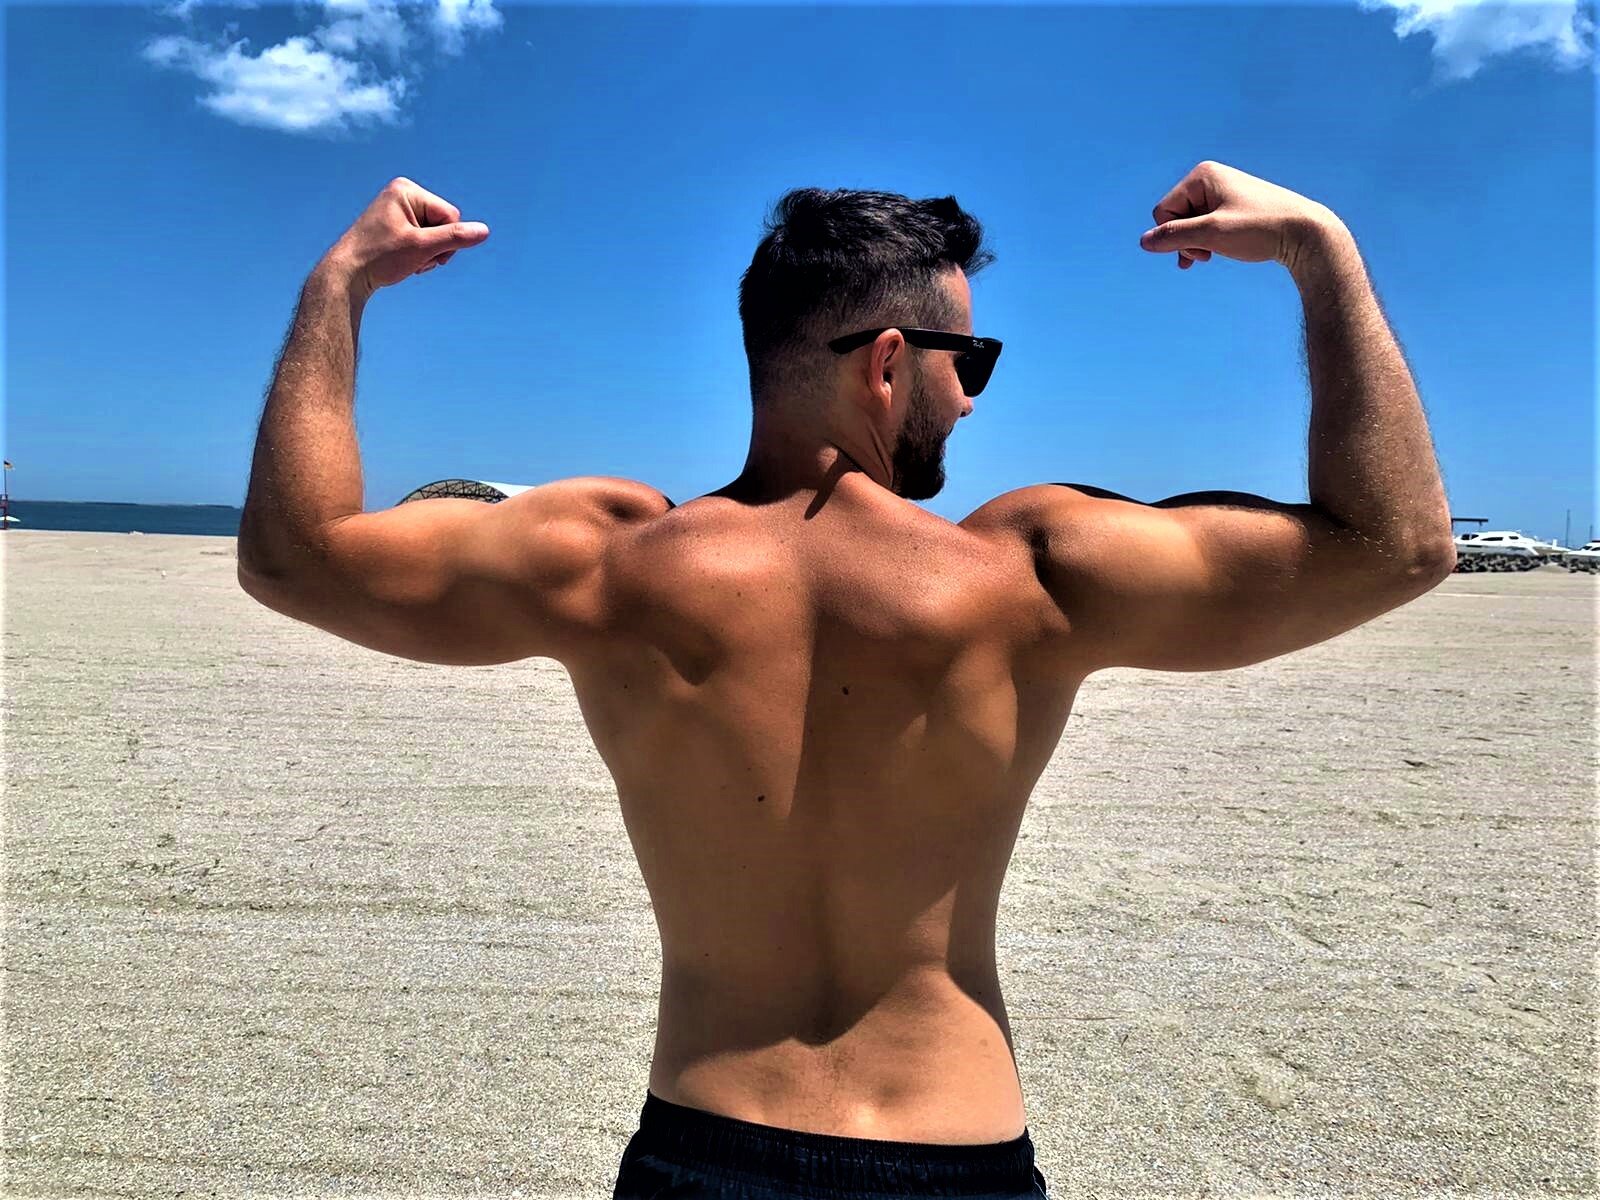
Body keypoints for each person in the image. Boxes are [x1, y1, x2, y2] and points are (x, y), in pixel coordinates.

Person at [236, 160, 1455, 1198]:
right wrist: (1319, 250)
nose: (969, 398)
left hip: (701, 1141)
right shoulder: (1027, 573)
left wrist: (338, 284)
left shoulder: (603, 564)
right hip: (954, 1152)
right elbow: (1395, 544)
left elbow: (294, 558)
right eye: (968, 359)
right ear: (886, 362)